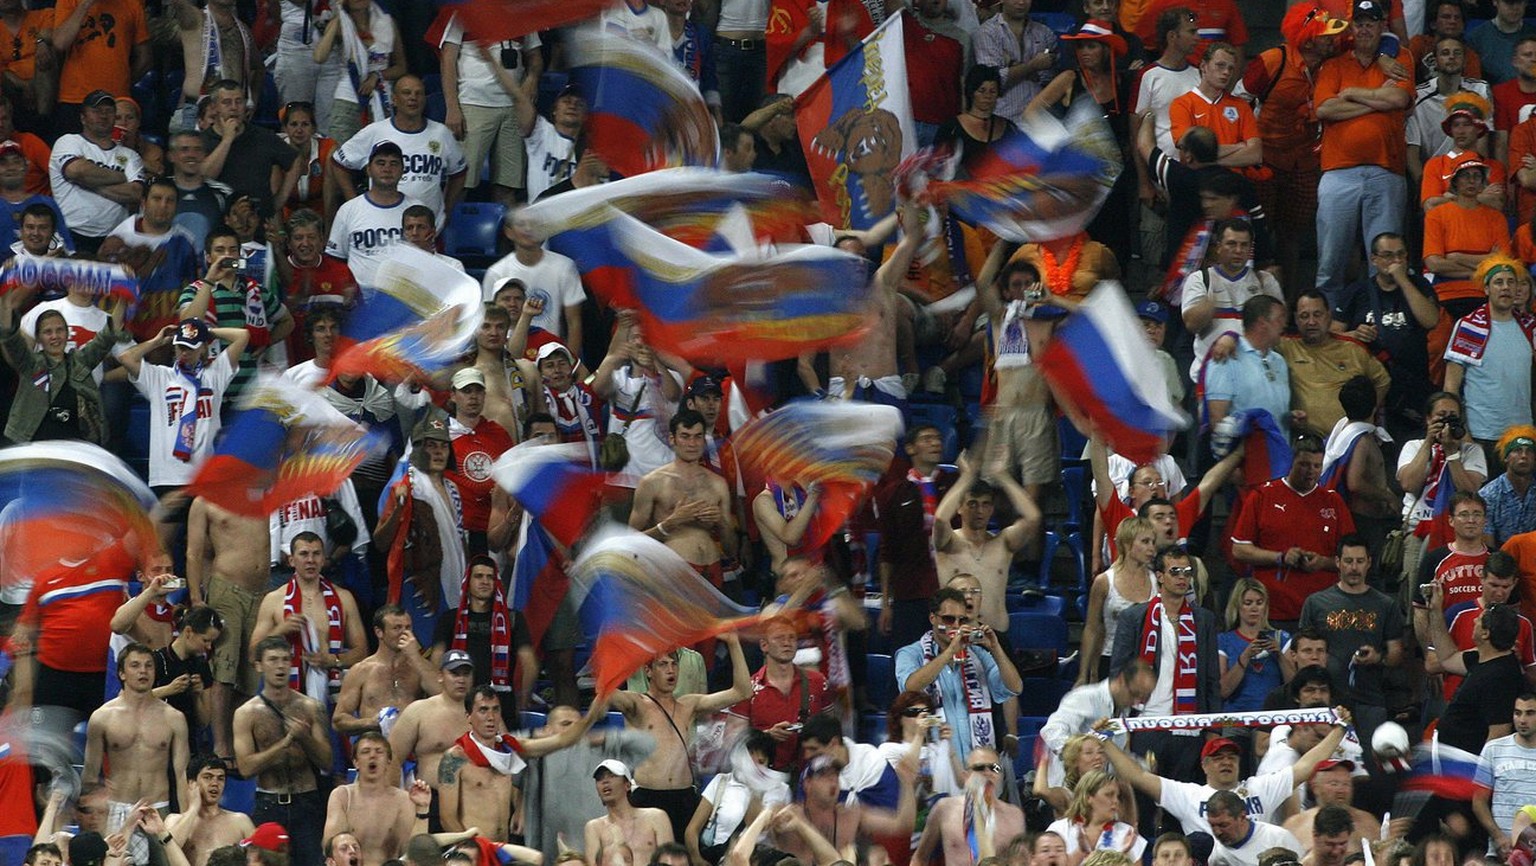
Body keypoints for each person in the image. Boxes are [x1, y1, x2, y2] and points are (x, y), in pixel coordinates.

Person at [1102, 706, 1354, 833]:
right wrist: (1105, 741)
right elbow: (1137, 776)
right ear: (1204, 765)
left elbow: (1306, 765)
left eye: (1231, 757)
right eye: (1218, 757)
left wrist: (1340, 730)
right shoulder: (1189, 795)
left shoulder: (1260, 787)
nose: (1226, 762)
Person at [1311, 0, 1414, 301]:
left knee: (1384, 260)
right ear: (1351, 27)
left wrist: (1354, 93)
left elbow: (1397, 99)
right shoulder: (1334, 64)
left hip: (1387, 170)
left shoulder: (1400, 58)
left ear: (1383, 25)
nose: (1365, 28)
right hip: (1337, 172)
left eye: (1371, 22)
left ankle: (1378, 321)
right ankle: (1324, 320)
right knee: (1330, 259)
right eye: (1359, 22)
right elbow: (1325, 108)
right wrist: (1375, 101)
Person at [1106, 547, 1221, 782]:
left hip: (1190, 726)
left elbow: (1212, 679)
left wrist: (1214, 729)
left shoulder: (1204, 620)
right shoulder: (1134, 618)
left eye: (1187, 572)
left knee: (1181, 808)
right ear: (1159, 576)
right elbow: (1118, 674)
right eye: (1175, 571)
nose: (1182, 577)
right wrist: (1124, 727)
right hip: (1146, 722)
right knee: (1145, 805)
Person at [438, 687, 605, 840]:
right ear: (468, 716)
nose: (491, 717)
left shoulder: (510, 748)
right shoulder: (455, 758)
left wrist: (591, 716)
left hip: (504, 849)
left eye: (495, 710)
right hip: (473, 853)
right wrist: (471, 849)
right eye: (483, 710)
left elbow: (563, 740)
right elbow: (447, 818)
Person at [1230, 435, 1356, 623]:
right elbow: (1239, 549)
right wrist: (1280, 557)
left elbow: (1352, 557)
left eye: (1317, 466)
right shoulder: (1262, 496)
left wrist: (1323, 562)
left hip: (1323, 611)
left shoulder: (1333, 501)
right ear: (1291, 461)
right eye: (1304, 464)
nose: (1311, 472)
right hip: (1274, 611)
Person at [233, 635, 334, 866]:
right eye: (273, 660)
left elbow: (327, 762)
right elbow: (246, 768)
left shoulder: (310, 707)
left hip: (306, 802)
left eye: (286, 660)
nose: (280, 666)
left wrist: (304, 738)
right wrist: (285, 743)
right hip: (269, 802)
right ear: (259, 665)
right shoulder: (246, 714)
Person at [119, 319, 249, 494]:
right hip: (166, 475)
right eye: (181, 346)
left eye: (191, 347)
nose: (185, 352)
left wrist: (208, 332)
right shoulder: (160, 377)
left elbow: (243, 336)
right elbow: (125, 357)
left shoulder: (214, 375)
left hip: (204, 476)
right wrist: (157, 341)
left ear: (203, 348)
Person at [1299, 536, 1405, 751]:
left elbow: (1396, 654)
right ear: (1337, 562)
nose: (1354, 568)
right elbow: (1301, 650)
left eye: (1359, 561)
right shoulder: (1316, 602)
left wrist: (1378, 657)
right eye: (1348, 561)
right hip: (1326, 701)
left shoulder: (1385, 605)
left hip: (1370, 699)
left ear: (1368, 562)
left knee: (1370, 764)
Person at [895, 586, 1023, 762]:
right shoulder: (910, 653)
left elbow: (1014, 687)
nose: (955, 625)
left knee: (998, 771)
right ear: (933, 618)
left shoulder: (977, 654)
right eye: (948, 619)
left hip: (980, 763)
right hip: (933, 763)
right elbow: (910, 688)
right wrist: (949, 652)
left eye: (961, 620)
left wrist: (996, 649)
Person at [520, 705, 659, 864]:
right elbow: (501, 746)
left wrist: (605, 738)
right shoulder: (536, 756)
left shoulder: (603, 751)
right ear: (548, 728)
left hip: (597, 851)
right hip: (552, 853)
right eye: (566, 724)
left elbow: (648, 744)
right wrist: (539, 737)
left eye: (578, 725)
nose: (574, 730)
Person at [84, 643, 191, 843]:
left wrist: (185, 818)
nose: (143, 671)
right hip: (117, 808)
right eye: (135, 665)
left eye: (148, 665)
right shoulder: (102, 718)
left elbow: (182, 774)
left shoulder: (173, 718)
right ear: (122, 674)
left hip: (159, 808)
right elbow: (90, 774)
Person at [249, 531, 368, 705]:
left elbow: (362, 652)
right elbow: (253, 655)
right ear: (291, 560)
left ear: (323, 559)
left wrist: (332, 660)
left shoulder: (344, 598)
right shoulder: (274, 600)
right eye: (304, 554)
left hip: (331, 693)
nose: (310, 560)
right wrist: (280, 630)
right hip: (284, 693)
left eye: (316, 554)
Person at [332, 75, 465, 226]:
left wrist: (446, 209)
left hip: (428, 230)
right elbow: (338, 162)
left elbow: (459, 172)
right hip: (382, 225)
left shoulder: (441, 133)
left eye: (418, 93)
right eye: (406, 93)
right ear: (394, 99)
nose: (413, 98)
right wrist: (355, 203)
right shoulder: (375, 131)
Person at [0, 284, 124, 446]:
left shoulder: (80, 361)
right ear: (38, 338)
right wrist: (7, 289)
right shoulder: (30, 363)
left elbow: (108, 335)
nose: (55, 337)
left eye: (59, 330)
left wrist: (123, 297)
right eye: (48, 332)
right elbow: (9, 335)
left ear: (67, 334)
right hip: (32, 444)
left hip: (77, 446)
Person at [933, 453, 1042, 635]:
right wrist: (966, 478)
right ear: (959, 508)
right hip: (955, 634)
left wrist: (1003, 476)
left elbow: (1033, 517)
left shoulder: (1003, 542)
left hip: (996, 634)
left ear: (992, 508)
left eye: (986, 504)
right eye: (972, 504)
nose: (980, 511)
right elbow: (939, 519)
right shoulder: (948, 542)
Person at [1179, 218, 1284, 385]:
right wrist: (1210, 304)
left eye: (1244, 245)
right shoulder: (1201, 279)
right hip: (1211, 378)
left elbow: (1278, 331)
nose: (1238, 250)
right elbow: (1192, 324)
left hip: (1254, 380)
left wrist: (1235, 339)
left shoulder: (1265, 281)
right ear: (1218, 246)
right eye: (1231, 244)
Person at [1422, 582, 1523, 754]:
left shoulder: (1501, 678)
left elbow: (1499, 734)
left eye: (1479, 619)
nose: (1475, 620)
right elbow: (1447, 658)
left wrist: (1480, 776)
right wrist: (1435, 611)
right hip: (1453, 757)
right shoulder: (1483, 657)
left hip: (1467, 767)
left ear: (1486, 633)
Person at [431, 556, 537, 718]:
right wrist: (443, 696)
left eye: (490, 577)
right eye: (478, 576)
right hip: (460, 700)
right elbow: (437, 660)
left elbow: (528, 662)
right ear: (468, 581)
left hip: (500, 701)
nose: (485, 581)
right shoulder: (450, 618)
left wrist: (523, 698)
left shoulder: (513, 618)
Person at [1275, 293, 1391, 439]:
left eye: (1317, 315)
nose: (1311, 322)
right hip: (1306, 444)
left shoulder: (1353, 349)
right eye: (1304, 316)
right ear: (1296, 319)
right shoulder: (1285, 346)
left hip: (1349, 441)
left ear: (1329, 316)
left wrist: (1365, 414)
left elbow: (1383, 381)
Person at [48, 89, 147, 255]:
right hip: (71, 235)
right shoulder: (68, 141)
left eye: (109, 111)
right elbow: (77, 171)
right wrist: (120, 177)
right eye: (96, 111)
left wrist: (89, 183)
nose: (103, 116)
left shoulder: (129, 156)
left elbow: (135, 193)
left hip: (113, 240)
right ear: (83, 118)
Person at [733, 616, 833, 773]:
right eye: (779, 638)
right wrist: (767, 736)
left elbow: (832, 730)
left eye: (792, 638)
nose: (787, 643)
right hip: (764, 778)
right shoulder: (747, 690)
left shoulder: (818, 682)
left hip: (810, 775)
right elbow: (733, 743)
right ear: (764, 645)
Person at [1041, 661, 1156, 793]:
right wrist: (1078, 755)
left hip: (1096, 795)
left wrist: (1142, 767)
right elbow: (1051, 730)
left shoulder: (1123, 711)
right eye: (1135, 694)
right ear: (1121, 680)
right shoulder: (1086, 697)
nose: (1137, 703)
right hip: (1067, 793)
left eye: (1143, 698)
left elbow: (1112, 756)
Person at [332, 605, 440, 737]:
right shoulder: (361, 671)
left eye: (408, 627)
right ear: (379, 632)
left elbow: (443, 695)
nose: (404, 633)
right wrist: (371, 723)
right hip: (375, 743)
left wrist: (415, 656)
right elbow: (338, 721)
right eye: (397, 628)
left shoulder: (420, 667)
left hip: (411, 744)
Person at [324, 140, 422, 288]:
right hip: (361, 299)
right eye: (381, 163)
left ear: (403, 170)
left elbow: (430, 258)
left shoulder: (418, 209)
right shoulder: (348, 210)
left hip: (406, 297)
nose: (387, 169)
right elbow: (334, 260)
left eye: (394, 163)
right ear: (368, 170)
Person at [322, 733, 431, 864]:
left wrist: (423, 808)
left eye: (379, 752)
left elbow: (413, 852)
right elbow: (330, 848)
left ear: (388, 761)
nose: (372, 756)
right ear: (355, 762)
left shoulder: (403, 800)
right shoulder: (342, 796)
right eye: (365, 752)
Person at [917, 749, 1027, 866]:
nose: (988, 773)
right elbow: (919, 859)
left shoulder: (1014, 815)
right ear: (966, 776)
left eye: (994, 768)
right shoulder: (945, 809)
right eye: (979, 768)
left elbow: (1022, 862)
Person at [1203, 295, 1293, 437]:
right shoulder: (1226, 360)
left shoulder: (1279, 361)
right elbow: (1217, 422)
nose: (1284, 324)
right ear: (1262, 323)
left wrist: (1290, 417)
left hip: (1280, 454)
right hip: (1246, 455)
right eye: (1280, 318)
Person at [1414, 491, 1491, 645]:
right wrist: (1430, 651)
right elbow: (1420, 610)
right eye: (1463, 514)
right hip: (1447, 645)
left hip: (1490, 646)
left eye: (1477, 514)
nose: (1471, 520)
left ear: (1485, 520)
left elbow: (1511, 608)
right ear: (1451, 520)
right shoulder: (1434, 559)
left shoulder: (1496, 558)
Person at [1473, 693, 1536, 856]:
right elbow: (1478, 801)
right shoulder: (1493, 749)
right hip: (1500, 851)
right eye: (1517, 713)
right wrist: (1498, 837)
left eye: (1530, 713)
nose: (1522, 720)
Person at [151, 606, 223, 745]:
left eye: (212, 642)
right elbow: (129, 699)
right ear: (188, 632)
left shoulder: (201, 666)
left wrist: (197, 695)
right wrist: (169, 690)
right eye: (205, 640)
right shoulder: (157, 660)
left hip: (188, 741)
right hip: (156, 739)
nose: (209, 647)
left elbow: (204, 721)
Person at [1219, 578, 1292, 714]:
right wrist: (1245, 656)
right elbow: (1223, 691)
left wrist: (1279, 656)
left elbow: (1294, 688)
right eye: (1248, 603)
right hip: (1235, 718)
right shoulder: (1224, 640)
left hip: (1272, 717)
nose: (1254, 608)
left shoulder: (1281, 638)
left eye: (1259, 603)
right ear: (1237, 606)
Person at [165, 757, 256, 866]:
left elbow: (256, 859)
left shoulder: (241, 821)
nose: (215, 783)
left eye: (220, 778)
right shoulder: (174, 820)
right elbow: (169, 851)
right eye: (208, 777)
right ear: (192, 783)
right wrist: (193, 809)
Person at [584, 759, 675, 866]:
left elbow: (669, 861)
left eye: (612, 776)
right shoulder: (594, 827)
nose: (605, 781)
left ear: (627, 785)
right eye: (599, 779)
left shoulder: (656, 817)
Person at [1281, 761, 1383, 854]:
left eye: (1346, 784)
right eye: (1334, 784)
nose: (1341, 790)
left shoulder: (1368, 822)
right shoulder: (1295, 824)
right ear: (1315, 787)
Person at [936, 66, 1016, 172]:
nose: (987, 96)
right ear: (971, 92)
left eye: (992, 91)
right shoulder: (951, 128)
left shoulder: (1008, 127)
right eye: (981, 90)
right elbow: (937, 163)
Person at [1206, 790, 1302, 866]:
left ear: (1242, 817)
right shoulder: (1216, 853)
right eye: (1212, 825)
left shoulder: (1278, 837)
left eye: (1223, 825)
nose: (1217, 832)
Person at [1482, 429, 1536, 545]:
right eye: (1517, 450)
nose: (1524, 456)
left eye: (1529, 451)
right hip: (1501, 556)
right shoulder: (1488, 495)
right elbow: (1487, 544)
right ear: (1506, 457)